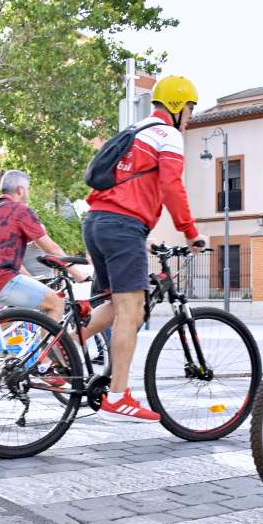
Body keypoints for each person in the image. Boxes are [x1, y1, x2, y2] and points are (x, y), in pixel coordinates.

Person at [79, 76, 207, 422]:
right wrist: (190, 233)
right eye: (191, 108)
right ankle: (118, 394)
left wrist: (142, 234)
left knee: (115, 303)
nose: (192, 117)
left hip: (96, 222)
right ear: (179, 106)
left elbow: (124, 187)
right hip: (121, 227)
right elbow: (170, 185)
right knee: (132, 310)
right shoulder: (168, 135)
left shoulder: (136, 130)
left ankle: (57, 353)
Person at [0, 170, 83, 323]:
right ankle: (49, 347)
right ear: (20, 190)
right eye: (28, 189)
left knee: (20, 310)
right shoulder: (20, 210)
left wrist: (30, 278)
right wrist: (77, 273)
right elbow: (51, 248)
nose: (28, 194)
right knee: (57, 303)